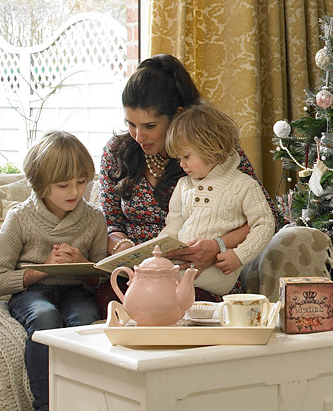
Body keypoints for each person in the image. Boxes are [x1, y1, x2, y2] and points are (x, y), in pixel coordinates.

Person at [99, 54, 274, 303]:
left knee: (175, 304)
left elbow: (266, 216)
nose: (138, 136)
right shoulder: (116, 152)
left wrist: (216, 246)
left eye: (150, 126)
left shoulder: (211, 151)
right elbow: (111, 223)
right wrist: (122, 247)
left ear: (177, 115)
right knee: (108, 299)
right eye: (131, 124)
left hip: (202, 276)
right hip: (137, 276)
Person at [0, 130, 104, 411]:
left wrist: (82, 264)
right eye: (63, 185)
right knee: (45, 318)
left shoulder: (94, 218)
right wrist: (43, 269)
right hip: (32, 291)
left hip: (76, 290)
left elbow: (99, 277)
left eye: (81, 182)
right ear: (41, 184)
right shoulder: (20, 218)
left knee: (84, 321)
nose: (75, 192)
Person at [163, 101, 276, 295]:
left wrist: (239, 256)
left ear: (211, 147)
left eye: (186, 157)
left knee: (158, 283)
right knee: (153, 275)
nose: (182, 165)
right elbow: (172, 227)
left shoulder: (243, 185)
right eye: (179, 159)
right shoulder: (183, 186)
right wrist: (157, 254)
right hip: (183, 264)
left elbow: (265, 224)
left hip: (219, 270)